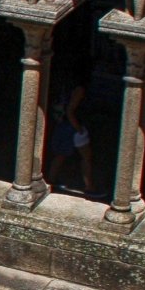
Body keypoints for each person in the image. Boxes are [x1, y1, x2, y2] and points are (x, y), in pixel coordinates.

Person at [47, 53, 101, 198]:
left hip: (64, 124)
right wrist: (79, 129)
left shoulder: (67, 84)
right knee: (86, 157)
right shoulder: (79, 89)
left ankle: (50, 181)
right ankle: (89, 187)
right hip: (73, 126)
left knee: (60, 155)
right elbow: (70, 110)